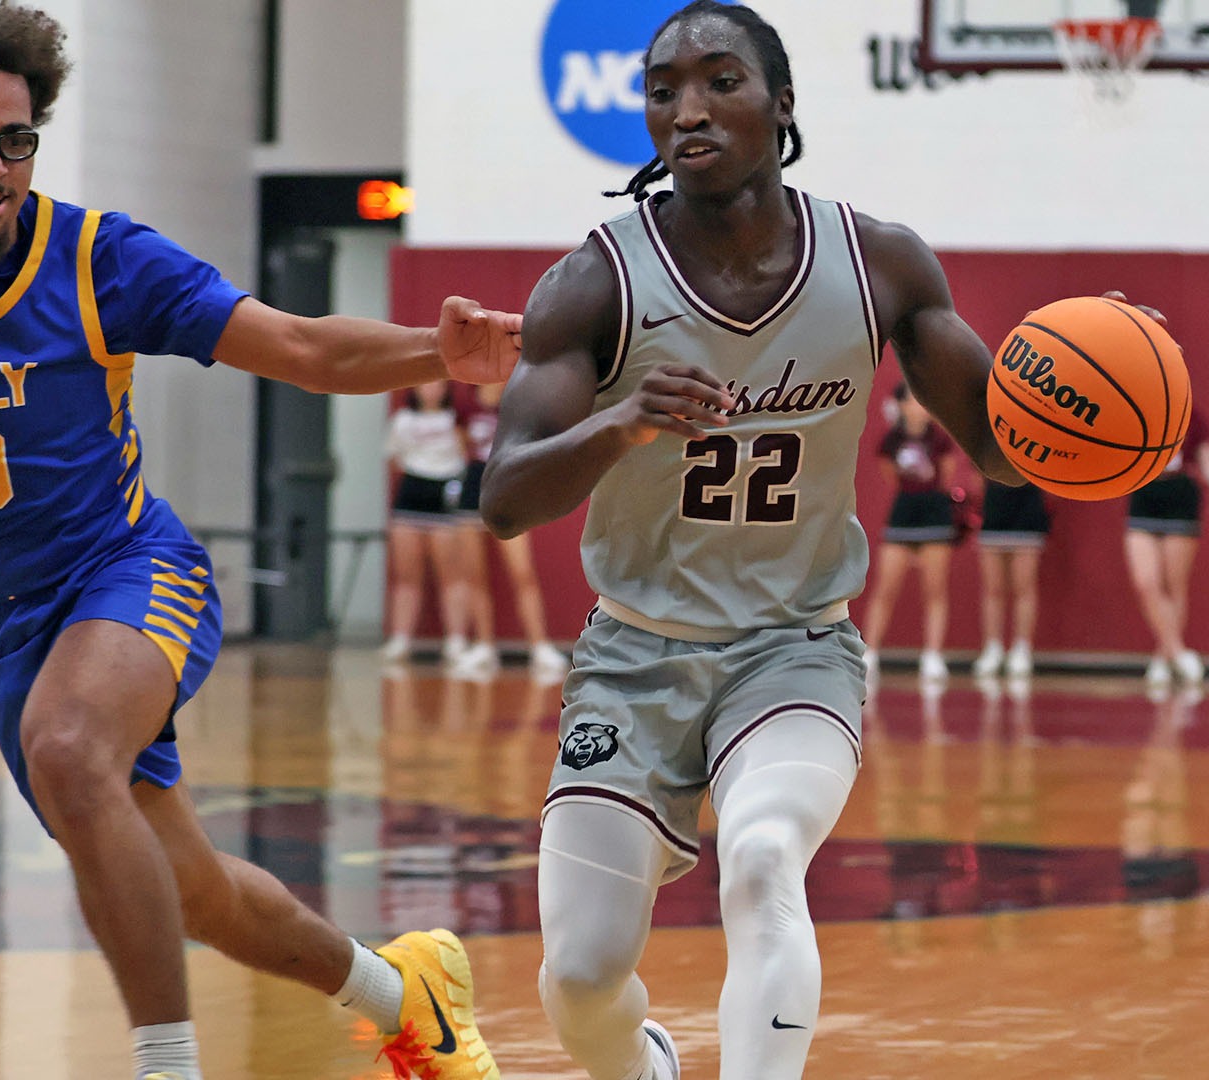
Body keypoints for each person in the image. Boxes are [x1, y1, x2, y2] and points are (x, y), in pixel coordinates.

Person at [0, 4, 515, 1078]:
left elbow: (301, 346)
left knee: (70, 749)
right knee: (195, 892)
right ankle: (407, 997)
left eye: (16, 139)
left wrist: (436, 356)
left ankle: (167, 1067)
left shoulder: (100, 256)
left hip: (127, 571)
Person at [479, 5, 1156, 1076]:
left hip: (793, 650)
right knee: (578, 977)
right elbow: (503, 498)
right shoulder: (596, 281)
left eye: (719, 81)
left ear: (782, 105)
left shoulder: (879, 264)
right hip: (634, 654)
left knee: (761, 857)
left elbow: (1001, 450)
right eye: (663, 90)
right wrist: (620, 420)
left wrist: (1096, 406)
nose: (687, 108)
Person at [452, 380, 571, 679]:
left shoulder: (517, 403)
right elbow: (461, 445)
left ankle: (539, 647)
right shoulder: (466, 404)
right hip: (472, 488)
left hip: (507, 489)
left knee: (523, 574)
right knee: (474, 575)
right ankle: (484, 647)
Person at [381, 380, 488, 676]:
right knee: (406, 575)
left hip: (447, 492)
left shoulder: (456, 418)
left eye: (436, 383)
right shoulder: (402, 420)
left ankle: (456, 641)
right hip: (411, 494)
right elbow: (394, 459)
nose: (430, 389)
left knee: (452, 575)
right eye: (423, 383)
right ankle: (400, 640)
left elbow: (470, 453)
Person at [1123, 413, 1209, 690]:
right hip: (1143, 493)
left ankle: (1163, 656)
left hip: (1180, 497)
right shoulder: (1134, 409)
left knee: (1174, 585)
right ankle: (1178, 651)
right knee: (1145, 583)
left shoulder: (1194, 419)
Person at [860, 383, 958, 682]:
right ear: (901, 406)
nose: (920, 407)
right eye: (914, 401)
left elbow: (947, 474)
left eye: (924, 401)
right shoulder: (891, 440)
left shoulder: (939, 438)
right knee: (884, 588)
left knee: (935, 590)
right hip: (903, 515)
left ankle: (932, 656)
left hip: (935, 517)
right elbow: (890, 474)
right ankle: (870, 654)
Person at [971, 478, 1050, 679]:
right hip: (993, 510)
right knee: (992, 588)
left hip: (1027, 511)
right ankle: (992, 648)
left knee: (1024, 587)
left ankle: (1022, 648)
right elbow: (976, 478)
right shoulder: (989, 446)